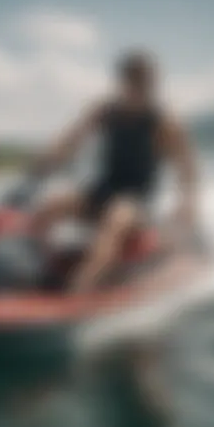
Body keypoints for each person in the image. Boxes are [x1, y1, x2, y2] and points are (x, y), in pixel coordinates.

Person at [31, 48, 198, 294]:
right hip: (103, 191)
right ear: (123, 83)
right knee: (49, 207)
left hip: (137, 203)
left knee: (116, 218)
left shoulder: (163, 122)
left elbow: (186, 167)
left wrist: (188, 204)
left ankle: (78, 290)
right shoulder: (104, 111)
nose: (143, 90)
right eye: (136, 83)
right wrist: (49, 160)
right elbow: (71, 140)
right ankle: (38, 271)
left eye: (147, 84)